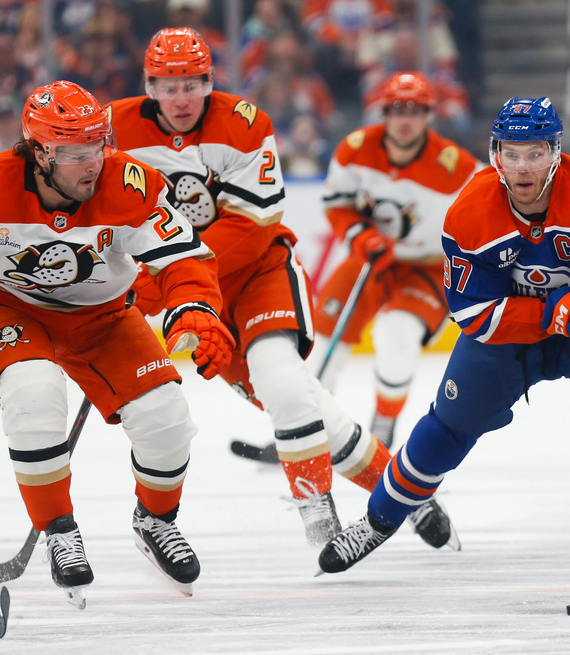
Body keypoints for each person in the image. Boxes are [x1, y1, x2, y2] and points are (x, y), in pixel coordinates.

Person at [105, 28, 456, 550]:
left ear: (209, 80)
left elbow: (252, 224)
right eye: (168, 86)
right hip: (197, 299)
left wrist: (165, 276)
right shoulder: (113, 128)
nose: (181, 98)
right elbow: (98, 215)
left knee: (285, 382)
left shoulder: (245, 124)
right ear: (148, 85)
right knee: (306, 404)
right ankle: (407, 496)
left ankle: (315, 506)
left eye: (191, 84)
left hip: (257, 274)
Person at [0, 80, 234, 605]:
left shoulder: (132, 184)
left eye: (98, 145)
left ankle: (155, 521)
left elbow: (184, 259)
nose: (91, 162)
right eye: (74, 151)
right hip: (7, 307)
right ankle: (60, 531)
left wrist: (195, 305)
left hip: (103, 315)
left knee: (166, 416)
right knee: (34, 393)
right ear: (40, 151)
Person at [317, 96, 570, 575]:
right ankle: (379, 521)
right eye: (512, 152)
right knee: (447, 428)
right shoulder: (468, 213)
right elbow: (475, 314)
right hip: (512, 336)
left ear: (556, 151)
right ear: (495, 154)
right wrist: (558, 312)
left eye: (535, 152)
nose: (523, 166)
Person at [311, 72, 480, 447]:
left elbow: (493, 214)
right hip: (371, 256)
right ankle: (306, 428)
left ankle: (382, 432)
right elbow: (336, 203)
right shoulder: (355, 149)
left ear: (429, 115)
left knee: (397, 338)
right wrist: (360, 236)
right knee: (322, 342)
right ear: (383, 112)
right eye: (397, 110)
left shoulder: (457, 167)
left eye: (416, 110)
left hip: (428, 265)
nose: (406, 119)